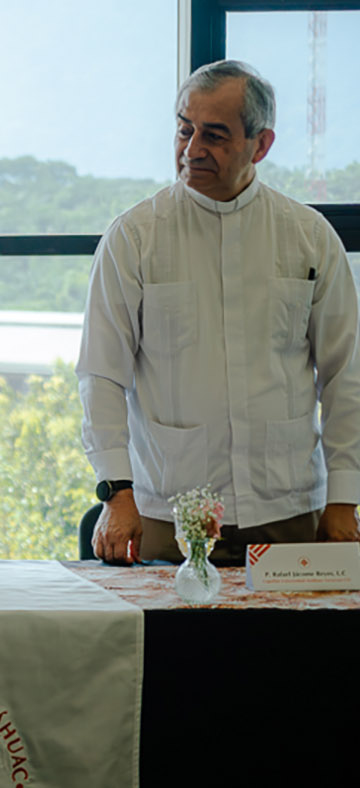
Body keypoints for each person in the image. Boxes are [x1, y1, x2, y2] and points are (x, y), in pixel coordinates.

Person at [78, 60, 360, 564]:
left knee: (293, 644)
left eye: (214, 135)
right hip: (166, 509)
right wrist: (117, 492)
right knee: (170, 644)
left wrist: (343, 498)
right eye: (184, 129)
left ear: (261, 144)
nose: (191, 150)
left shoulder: (309, 237)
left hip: (288, 507)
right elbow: (100, 374)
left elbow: (346, 376)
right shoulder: (136, 237)